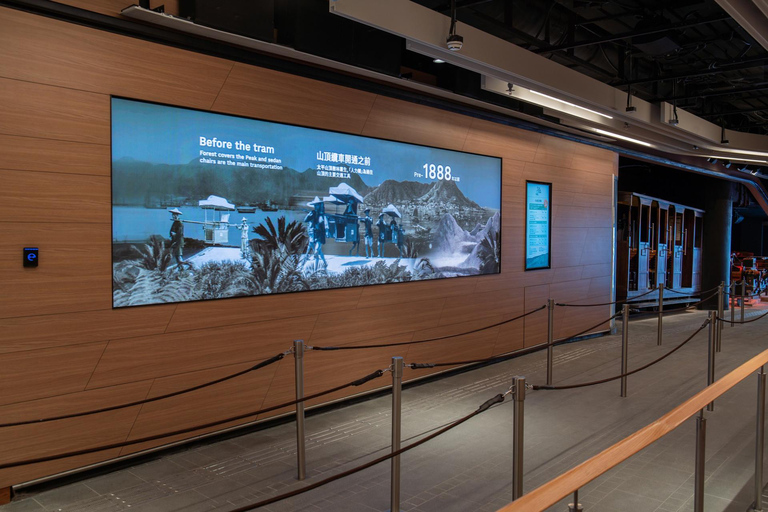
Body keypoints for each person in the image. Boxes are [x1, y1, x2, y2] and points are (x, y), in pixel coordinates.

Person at [303, 197, 328, 266]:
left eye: (317, 205)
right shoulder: (313, 213)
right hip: (313, 234)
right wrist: (309, 215)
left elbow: (325, 224)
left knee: (316, 251)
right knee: (318, 251)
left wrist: (326, 231)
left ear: (320, 205)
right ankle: (325, 263)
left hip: (319, 234)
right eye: (315, 205)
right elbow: (305, 220)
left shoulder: (322, 214)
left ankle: (315, 269)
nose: (316, 206)